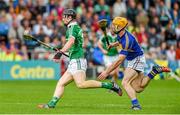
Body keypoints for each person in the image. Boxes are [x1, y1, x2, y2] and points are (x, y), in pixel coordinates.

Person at [38, 9, 122, 109]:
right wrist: (65, 51)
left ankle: (110, 85)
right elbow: (74, 46)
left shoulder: (72, 27)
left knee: (81, 84)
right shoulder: (73, 27)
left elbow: (71, 42)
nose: (63, 18)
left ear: (70, 18)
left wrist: (60, 53)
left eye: (65, 16)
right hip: (74, 60)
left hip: (77, 60)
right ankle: (51, 104)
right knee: (61, 83)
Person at [98, 17, 171, 110]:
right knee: (138, 88)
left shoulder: (128, 40)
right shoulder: (120, 34)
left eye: (114, 25)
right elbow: (120, 41)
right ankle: (154, 71)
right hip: (136, 58)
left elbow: (119, 61)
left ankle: (136, 105)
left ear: (121, 27)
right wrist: (113, 44)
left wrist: (106, 72)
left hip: (136, 59)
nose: (112, 27)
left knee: (125, 82)